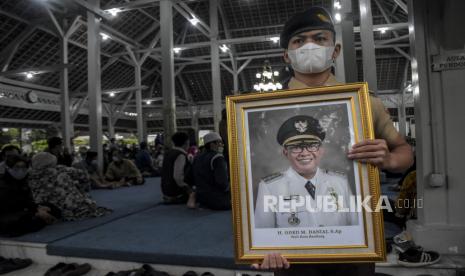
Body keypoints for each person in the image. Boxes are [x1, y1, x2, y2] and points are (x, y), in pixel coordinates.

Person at [252, 6, 414, 275]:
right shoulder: (261, 111)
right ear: (286, 55)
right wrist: (258, 246)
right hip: (291, 254)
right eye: (299, 41)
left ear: (335, 50)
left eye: (319, 38)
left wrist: (388, 159)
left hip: (354, 248)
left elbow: (404, 151)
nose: (310, 46)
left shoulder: (364, 103)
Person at [254, 115, 357, 228]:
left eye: (312, 146)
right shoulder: (270, 187)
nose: (304, 153)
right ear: (285, 153)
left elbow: (355, 227)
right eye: (296, 147)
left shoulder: (340, 182)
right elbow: (264, 237)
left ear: (321, 151)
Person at [28, 152, 111, 221]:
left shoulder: (29, 175)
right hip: (68, 206)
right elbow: (84, 176)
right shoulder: (59, 169)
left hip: (44, 206)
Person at [0, 154, 59, 236]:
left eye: (23, 167)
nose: (21, 170)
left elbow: (26, 201)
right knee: (23, 222)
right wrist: (35, 212)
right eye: (17, 167)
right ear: (8, 168)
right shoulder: (3, 185)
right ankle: (43, 219)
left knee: (50, 207)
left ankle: (43, 218)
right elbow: (12, 206)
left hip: (23, 211)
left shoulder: (22, 181)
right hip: (8, 216)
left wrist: (37, 208)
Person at [192, 132, 230, 210]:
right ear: (212, 144)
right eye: (220, 142)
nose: (222, 145)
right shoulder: (218, 157)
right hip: (217, 201)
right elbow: (223, 183)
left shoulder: (197, 157)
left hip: (201, 199)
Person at [161, 132, 195, 206]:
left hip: (166, 191)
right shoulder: (180, 155)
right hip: (175, 192)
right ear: (186, 143)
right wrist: (189, 189)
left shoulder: (168, 153)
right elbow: (178, 177)